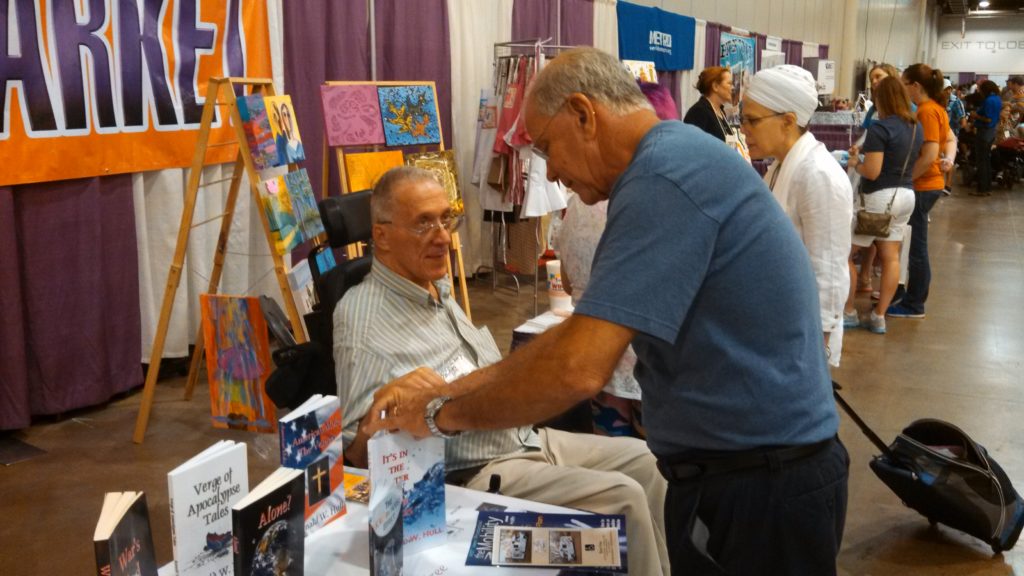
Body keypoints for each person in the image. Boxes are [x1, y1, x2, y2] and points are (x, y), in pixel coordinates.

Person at [364, 47, 848, 576]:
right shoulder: (668, 162)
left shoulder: (663, 178)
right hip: (751, 474)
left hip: (760, 488)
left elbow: (578, 367)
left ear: (583, 114)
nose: (552, 171)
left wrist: (439, 415)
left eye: (548, 147)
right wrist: (450, 391)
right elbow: (578, 337)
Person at [334, 166, 670, 576]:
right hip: (472, 471)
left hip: (520, 438)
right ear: (381, 236)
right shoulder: (362, 317)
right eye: (423, 223)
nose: (443, 236)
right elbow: (353, 454)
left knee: (650, 463)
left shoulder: (431, 287)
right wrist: (378, 424)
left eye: (446, 218)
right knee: (623, 496)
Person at [740, 65, 852, 364]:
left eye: (752, 120)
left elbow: (828, 267)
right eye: (742, 119)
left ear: (788, 120)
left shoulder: (818, 174)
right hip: (778, 318)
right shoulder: (779, 166)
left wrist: (819, 342)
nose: (743, 129)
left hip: (803, 333)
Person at [845, 77, 922, 334]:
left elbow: (873, 171)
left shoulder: (879, 129)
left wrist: (856, 163)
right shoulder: (915, 126)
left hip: (878, 197)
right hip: (906, 196)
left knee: (846, 254)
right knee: (891, 257)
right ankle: (879, 316)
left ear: (881, 99)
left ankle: (849, 311)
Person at [887, 63, 951, 319]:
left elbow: (930, 155)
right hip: (927, 184)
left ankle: (915, 303)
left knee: (917, 248)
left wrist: (905, 179)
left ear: (915, 86)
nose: (902, 89)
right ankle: (911, 296)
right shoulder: (934, 109)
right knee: (914, 245)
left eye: (904, 84)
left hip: (924, 186)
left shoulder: (926, 111)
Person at [683, 66, 737, 142]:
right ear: (715, 86)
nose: (733, 87)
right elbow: (692, 145)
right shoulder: (699, 112)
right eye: (729, 84)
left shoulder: (721, 112)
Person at [969, 80, 1003, 197]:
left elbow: (988, 119)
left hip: (984, 132)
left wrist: (975, 115)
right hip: (991, 132)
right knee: (986, 162)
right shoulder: (998, 99)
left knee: (981, 162)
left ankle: (982, 189)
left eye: (980, 89)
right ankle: (987, 188)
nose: (979, 91)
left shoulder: (988, 100)